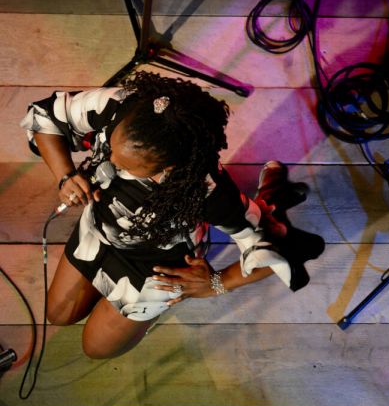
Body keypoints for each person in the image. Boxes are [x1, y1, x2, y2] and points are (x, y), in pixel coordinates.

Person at [20, 71, 319, 360]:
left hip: (154, 271)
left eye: (126, 165)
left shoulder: (209, 192)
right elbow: (45, 116)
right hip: (97, 232)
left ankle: (269, 201)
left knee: (96, 349)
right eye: (110, 149)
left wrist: (216, 283)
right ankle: (269, 201)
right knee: (58, 315)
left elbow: (282, 251)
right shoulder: (125, 105)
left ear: (169, 168)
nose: (107, 165)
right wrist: (65, 176)